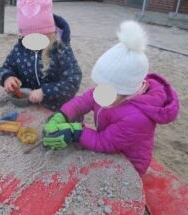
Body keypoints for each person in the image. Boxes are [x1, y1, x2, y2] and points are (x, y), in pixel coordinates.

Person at [43, 21, 180, 176]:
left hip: (130, 164)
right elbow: (83, 101)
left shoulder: (137, 118)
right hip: (111, 142)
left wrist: (75, 133)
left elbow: (104, 142)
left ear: (126, 91)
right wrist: (62, 115)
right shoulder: (110, 91)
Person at [0, 0, 82, 111]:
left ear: (50, 33)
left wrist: (45, 92)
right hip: (28, 107)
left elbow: (73, 81)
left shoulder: (61, 50)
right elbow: (5, 68)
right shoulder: (20, 49)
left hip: (57, 108)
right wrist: (7, 77)